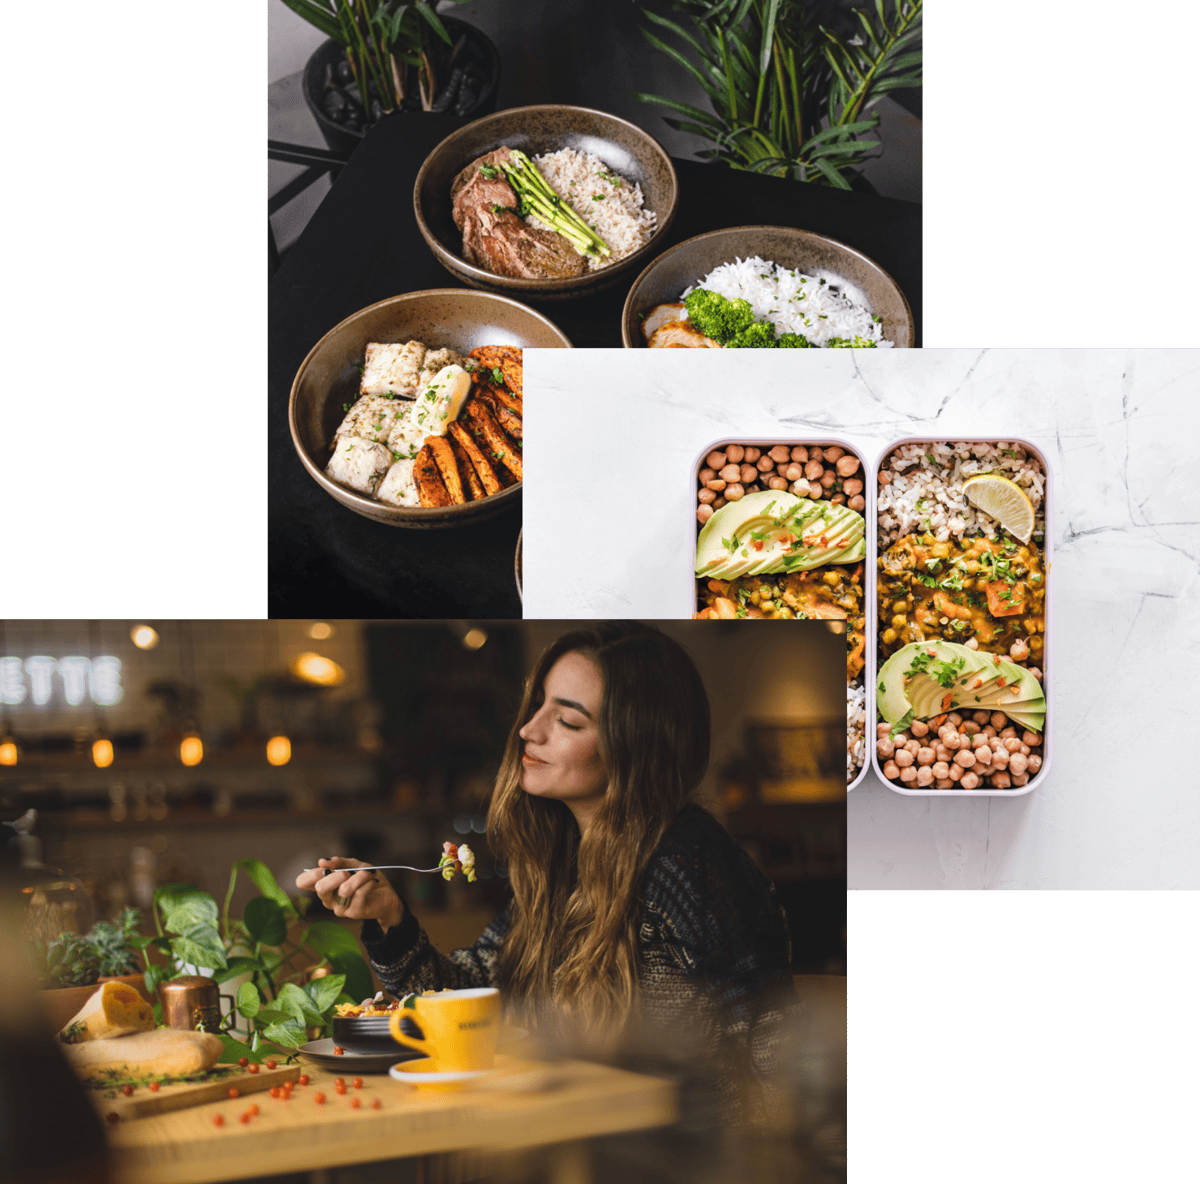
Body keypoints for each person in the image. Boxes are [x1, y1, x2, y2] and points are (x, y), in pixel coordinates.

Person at [296, 622, 796, 1123]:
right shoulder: (564, 863)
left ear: (636, 746)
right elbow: (473, 996)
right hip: (576, 1136)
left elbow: (770, 1046)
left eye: (570, 722)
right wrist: (389, 917)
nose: (528, 730)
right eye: (538, 706)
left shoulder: (685, 861)